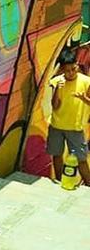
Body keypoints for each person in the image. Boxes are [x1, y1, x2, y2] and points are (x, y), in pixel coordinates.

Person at [48, 48, 90, 184]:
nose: (71, 73)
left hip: (75, 128)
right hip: (56, 126)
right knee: (57, 155)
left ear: (77, 65)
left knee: (81, 159)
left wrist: (84, 99)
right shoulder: (57, 81)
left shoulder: (86, 81)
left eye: (73, 68)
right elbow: (55, 106)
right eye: (67, 70)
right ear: (62, 69)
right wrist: (57, 90)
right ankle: (59, 182)